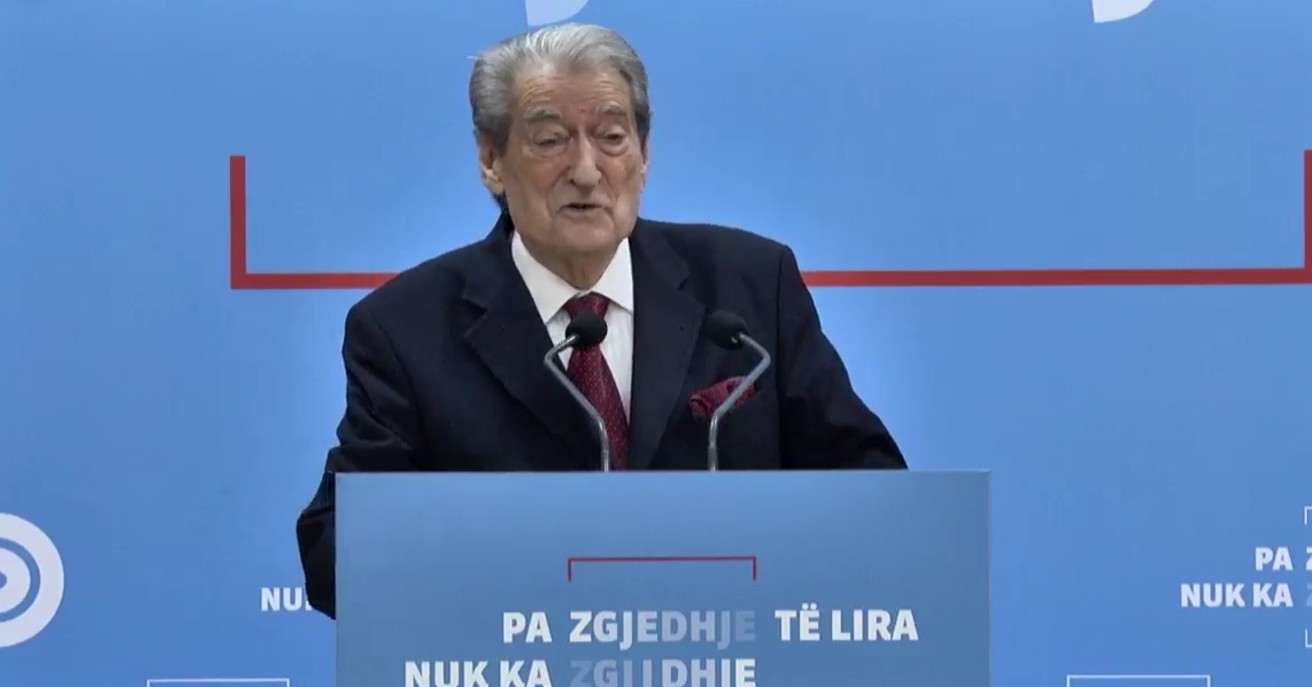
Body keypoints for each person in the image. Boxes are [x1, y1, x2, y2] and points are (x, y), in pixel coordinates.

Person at [294, 22, 906, 619]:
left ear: (644, 154)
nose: (586, 170)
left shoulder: (750, 288)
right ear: (491, 159)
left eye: (612, 137)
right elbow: (338, 556)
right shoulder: (405, 329)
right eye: (550, 139)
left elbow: (877, 495)